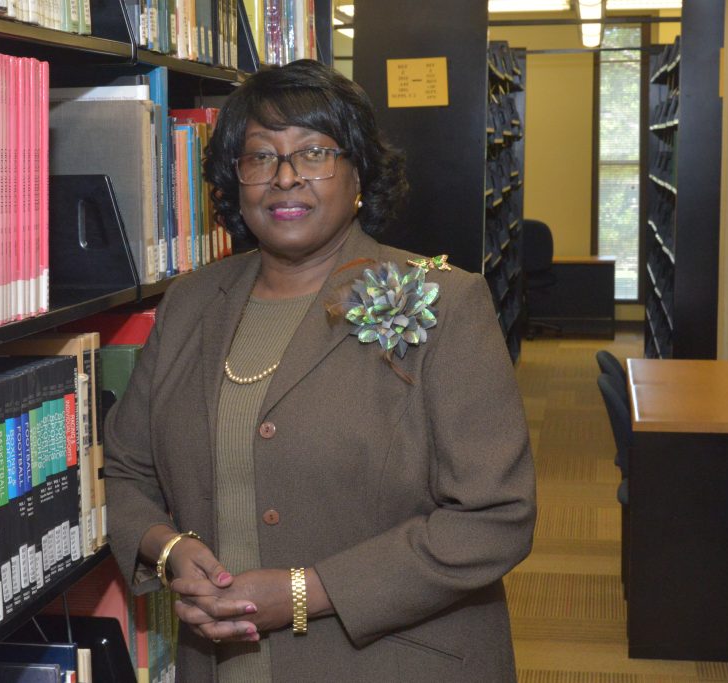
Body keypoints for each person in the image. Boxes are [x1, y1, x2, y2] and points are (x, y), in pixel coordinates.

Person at [103, 59, 536, 682]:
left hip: (389, 664)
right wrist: (167, 549)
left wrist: (308, 591)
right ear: (235, 181)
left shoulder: (445, 301)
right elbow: (124, 470)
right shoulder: (192, 302)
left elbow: (496, 518)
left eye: (313, 153)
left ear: (359, 172)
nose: (284, 178)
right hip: (221, 663)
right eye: (260, 158)